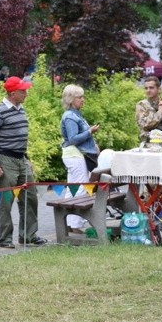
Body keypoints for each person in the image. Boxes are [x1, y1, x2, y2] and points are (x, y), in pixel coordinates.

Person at [0, 75, 46, 248]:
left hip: (21, 159)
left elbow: (20, 139)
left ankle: (28, 235)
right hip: (5, 159)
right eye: (22, 91)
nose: (26, 93)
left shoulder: (21, 109)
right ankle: (5, 238)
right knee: (7, 200)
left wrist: (27, 159)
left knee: (30, 197)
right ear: (12, 93)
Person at [61, 84, 100, 233]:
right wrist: (90, 131)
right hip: (75, 155)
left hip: (76, 154)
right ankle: (75, 226)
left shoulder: (76, 114)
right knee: (81, 188)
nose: (83, 100)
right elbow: (72, 139)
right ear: (71, 99)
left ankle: (69, 224)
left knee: (73, 188)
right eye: (80, 97)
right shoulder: (70, 116)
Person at [135, 76, 162, 147]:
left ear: (159, 89)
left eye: (151, 87)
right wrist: (159, 113)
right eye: (146, 88)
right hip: (149, 145)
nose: (148, 90)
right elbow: (144, 125)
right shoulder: (142, 105)